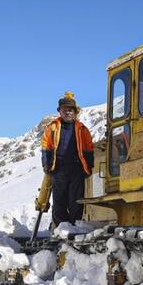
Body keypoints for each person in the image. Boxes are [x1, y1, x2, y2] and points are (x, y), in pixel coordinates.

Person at [40, 92, 94, 227]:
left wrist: (89, 166)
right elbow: (46, 147)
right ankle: (60, 229)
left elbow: (89, 148)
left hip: (77, 169)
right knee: (59, 202)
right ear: (60, 112)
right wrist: (47, 164)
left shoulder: (82, 129)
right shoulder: (52, 128)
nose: (67, 112)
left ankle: (75, 228)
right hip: (58, 169)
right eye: (64, 110)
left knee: (76, 201)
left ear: (75, 112)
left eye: (70, 110)